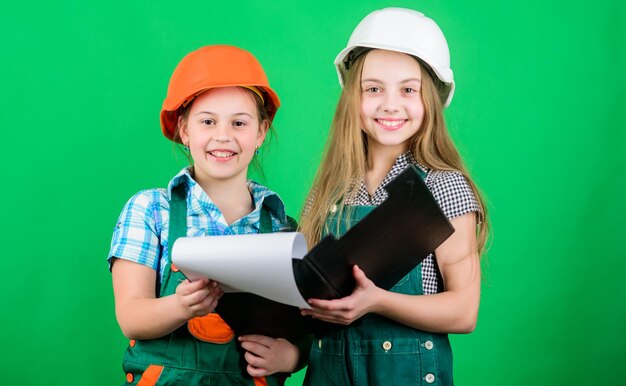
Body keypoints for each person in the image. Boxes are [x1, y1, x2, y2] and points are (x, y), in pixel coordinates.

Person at [299, 8, 489, 385]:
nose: (389, 104)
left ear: (431, 100)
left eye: (408, 89)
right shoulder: (328, 192)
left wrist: (377, 301)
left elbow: (464, 311)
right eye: (373, 89)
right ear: (353, 97)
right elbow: (307, 297)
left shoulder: (443, 187)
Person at [108, 45, 306, 385]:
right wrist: (181, 307)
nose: (223, 136)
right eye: (208, 121)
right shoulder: (150, 211)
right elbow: (131, 316)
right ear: (185, 130)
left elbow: (304, 325)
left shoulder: (282, 229)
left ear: (260, 132)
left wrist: (293, 356)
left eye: (239, 123)